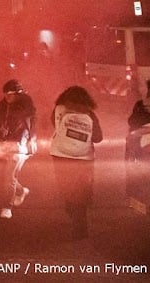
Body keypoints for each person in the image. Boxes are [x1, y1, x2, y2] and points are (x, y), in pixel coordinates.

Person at [49, 85, 103, 239]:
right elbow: (98, 138)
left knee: (66, 187)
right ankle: (80, 224)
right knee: (81, 191)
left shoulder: (58, 110)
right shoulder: (89, 114)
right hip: (84, 157)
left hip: (60, 154)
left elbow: (56, 126)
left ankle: (71, 210)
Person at [0, 79, 37, 219]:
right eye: (6, 94)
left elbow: (32, 126)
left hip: (19, 145)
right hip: (3, 144)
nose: (7, 96)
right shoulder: (0, 106)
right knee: (4, 175)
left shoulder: (26, 107)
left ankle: (7, 207)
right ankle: (20, 191)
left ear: (18, 94)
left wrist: (32, 140)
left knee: (9, 177)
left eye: (11, 94)